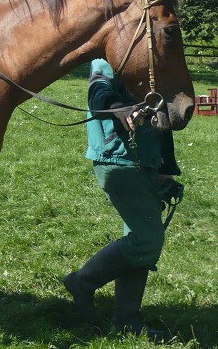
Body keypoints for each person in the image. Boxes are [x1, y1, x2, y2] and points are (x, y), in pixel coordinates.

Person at [63, 58, 182, 339]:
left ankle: (127, 319)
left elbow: (160, 118)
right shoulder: (107, 63)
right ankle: (82, 282)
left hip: (147, 161)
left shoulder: (148, 69)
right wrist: (120, 109)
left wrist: (164, 170)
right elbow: (99, 91)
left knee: (139, 237)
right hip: (118, 160)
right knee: (146, 240)